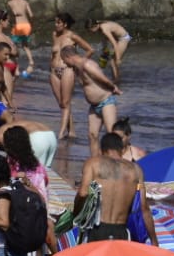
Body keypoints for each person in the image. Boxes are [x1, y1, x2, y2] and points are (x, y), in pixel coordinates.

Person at [75, 132, 144, 242]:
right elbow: (144, 208)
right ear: (122, 150)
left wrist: (75, 214)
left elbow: (83, 193)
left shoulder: (93, 163)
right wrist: (154, 241)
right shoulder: (136, 170)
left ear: (102, 150)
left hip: (97, 230)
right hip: (121, 231)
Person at [58, 44, 121, 156]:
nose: (64, 63)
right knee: (92, 135)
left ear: (68, 57)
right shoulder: (77, 68)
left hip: (106, 102)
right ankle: (95, 161)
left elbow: (102, 78)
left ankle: (118, 161)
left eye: (64, 60)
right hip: (94, 106)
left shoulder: (87, 64)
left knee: (111, 135)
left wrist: (113, 87)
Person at [49, 12, 92, 140]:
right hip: (53, 72)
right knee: (61, 104)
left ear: (65, 24)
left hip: (67, 70)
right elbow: (53, 54)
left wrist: (79, 63)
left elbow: (90, 50)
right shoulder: (54, 35)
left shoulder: (72, 36)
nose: (56, 25)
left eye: (58, 22)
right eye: (55, 22)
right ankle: (71, 131)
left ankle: (61, 132)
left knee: (66, 102)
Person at [89, 17, 130, 85]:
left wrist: (118, 58)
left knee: (113, 62)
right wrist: (105, 50)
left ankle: (116, 82)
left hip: (124, 38)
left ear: (94, 26)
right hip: (118, 38)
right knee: (111, 60)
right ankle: (116, 79)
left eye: (90, 30)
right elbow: (105, 38)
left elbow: (114, 43)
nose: (90, 32)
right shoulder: (99, 24)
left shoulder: (104, 29)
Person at [6, 0, 36, 75]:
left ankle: (16, 69)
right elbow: (31, 15)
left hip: (18, 26)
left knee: (12, 45)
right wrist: (32, 25)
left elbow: (11, 14)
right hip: (27, 25)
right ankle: (31, 61)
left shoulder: (10, 3)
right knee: (25, 45)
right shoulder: (25, 2)